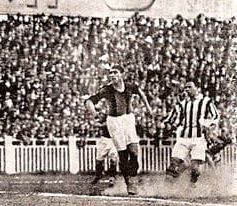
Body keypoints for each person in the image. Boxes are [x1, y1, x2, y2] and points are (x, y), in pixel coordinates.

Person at [84, 65, 152, 195]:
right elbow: (89, 101)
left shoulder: (130, 86)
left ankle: (133, 176)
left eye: (115, 73)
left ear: (122, 74)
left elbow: (141, 93)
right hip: (114, 122)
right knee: (123, 154)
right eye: (110, 73)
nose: (112, 75)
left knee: (134, 151)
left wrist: (148, 108)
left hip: (129, 120)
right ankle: (129, 183)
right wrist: (94, 113)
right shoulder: (107, 90)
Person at [163, 81, 219, 184]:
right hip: (184, 138)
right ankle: (168, 185)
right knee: (174, 162)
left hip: (198, 139)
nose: (187, 90)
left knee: (195, 168)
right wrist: (167, 124)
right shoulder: (183, 104)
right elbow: (172, 117)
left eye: (189, 87)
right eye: (185, 88)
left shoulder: (205, 101)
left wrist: (209, 125)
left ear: (196, 88)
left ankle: (192, 185)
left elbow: (215, 115)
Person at [90, 114, 119, 192]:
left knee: (113, 160)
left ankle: (111, 178)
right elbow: (98, 123)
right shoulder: (107, 116)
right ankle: (98, 174)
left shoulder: (118, 117)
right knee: (99, 160)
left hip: (114, 140)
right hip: (104, 140)